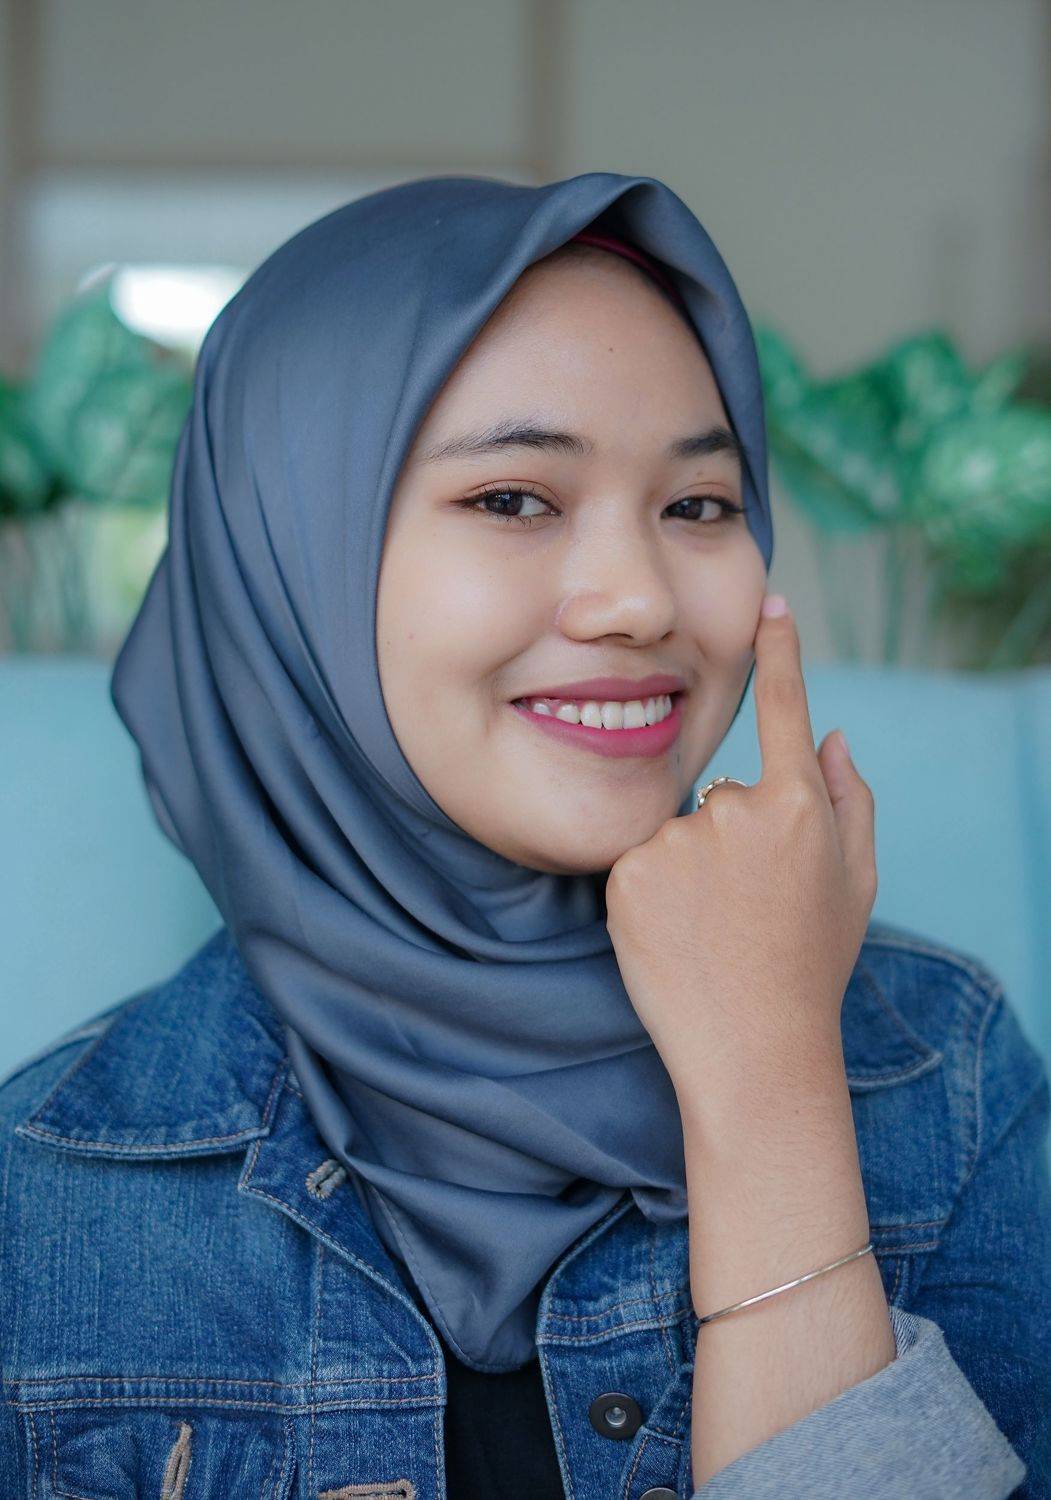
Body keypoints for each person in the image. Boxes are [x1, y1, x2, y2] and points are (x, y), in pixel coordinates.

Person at [0, 170, 1048, 1499]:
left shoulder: (946, 1079)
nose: (637, 601)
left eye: (699, 505)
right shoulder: (46, 1200)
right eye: (514, 500)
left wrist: (774, 1085)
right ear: (289, 560)